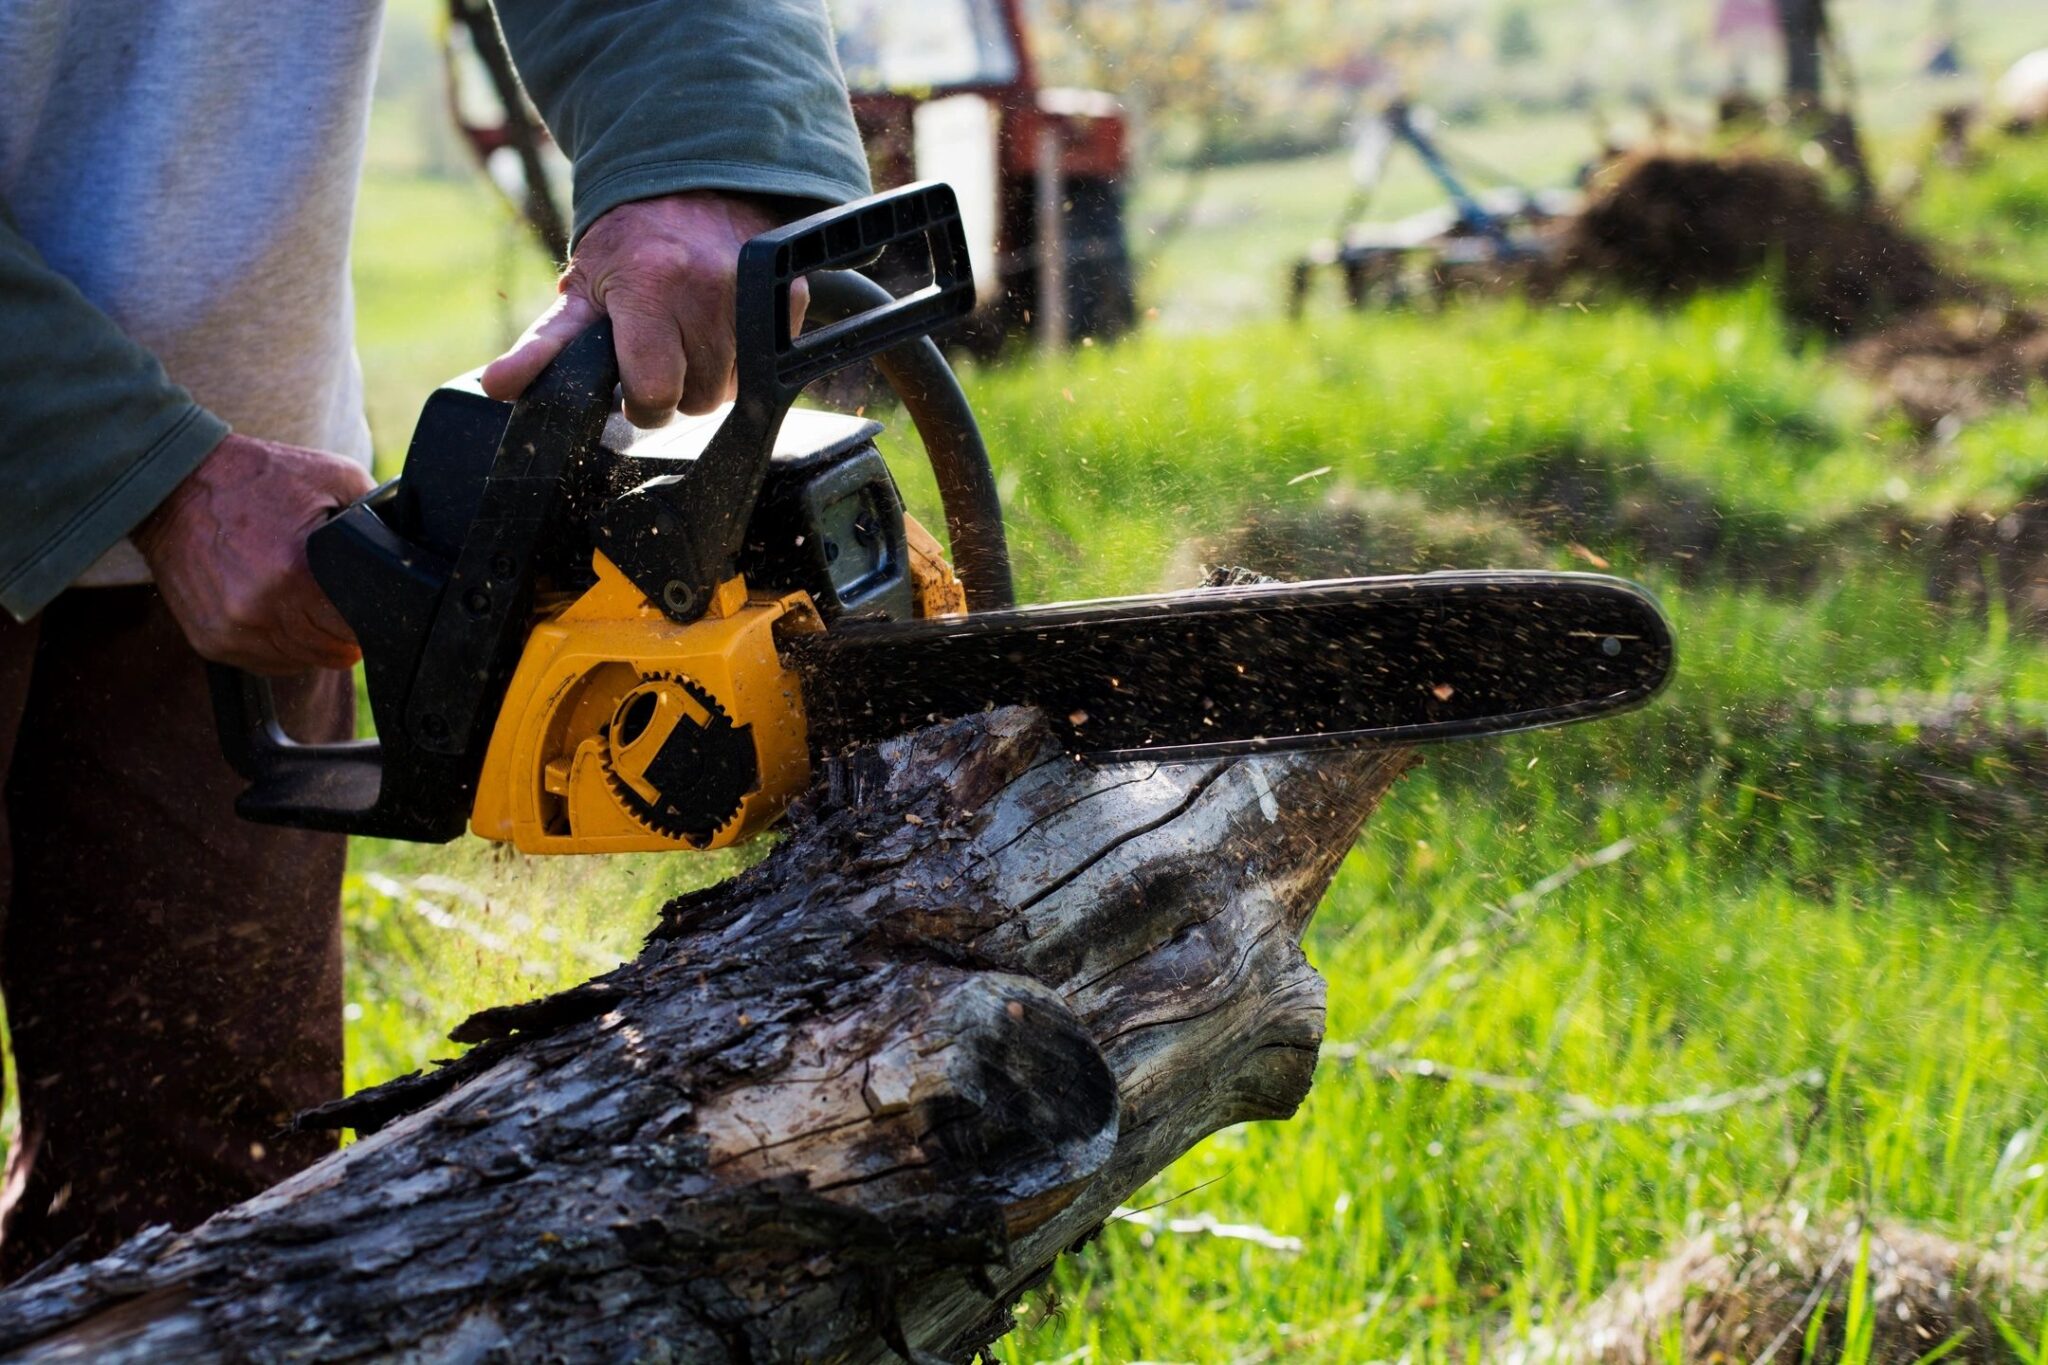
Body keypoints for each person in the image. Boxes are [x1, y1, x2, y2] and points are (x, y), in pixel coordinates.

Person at [0, 0, 870, 1277]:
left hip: (255, 509)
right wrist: (141, 473)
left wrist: (706, 145)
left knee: (202, 1188)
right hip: (177, 478)